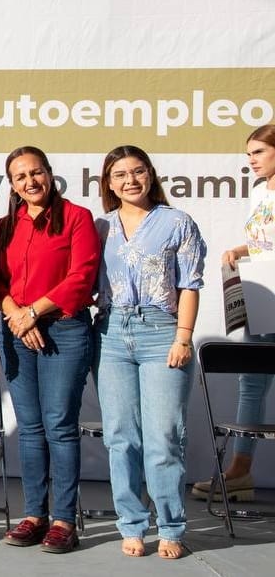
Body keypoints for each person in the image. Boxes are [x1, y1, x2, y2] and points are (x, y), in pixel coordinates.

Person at [0, 146, 98, 553]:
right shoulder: (6, 226)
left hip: (64, 329)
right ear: (12, 185)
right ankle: (34, 515)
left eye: (36, 172)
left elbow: (81, 277)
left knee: (59, 425)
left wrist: (33, 312)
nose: (30, 181)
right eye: (21, 176)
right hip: (16, 328)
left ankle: (64, 520)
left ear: (50, 174)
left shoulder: (77, 217)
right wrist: (19, 316)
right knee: (30, 428)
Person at [95, 145, 206, 559]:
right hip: (110, 333)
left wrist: (183, 337)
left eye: (138, 171)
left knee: (163, 438)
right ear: (109, 183)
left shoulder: (177, 222)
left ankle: (171, 526)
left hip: (162, 333)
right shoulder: (100, 227)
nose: (131, 181)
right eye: (120, 174)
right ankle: (132, 523)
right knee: (121, 438)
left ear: (151, 174)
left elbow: (190, 284)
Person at [191, 124, 275, 503]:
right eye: (248, 153)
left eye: (259, 152)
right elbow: (264, 242)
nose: (251, 160)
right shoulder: (259, 191)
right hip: (262, 296)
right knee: (251, 381)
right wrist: (241, 251)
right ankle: (241, 470)